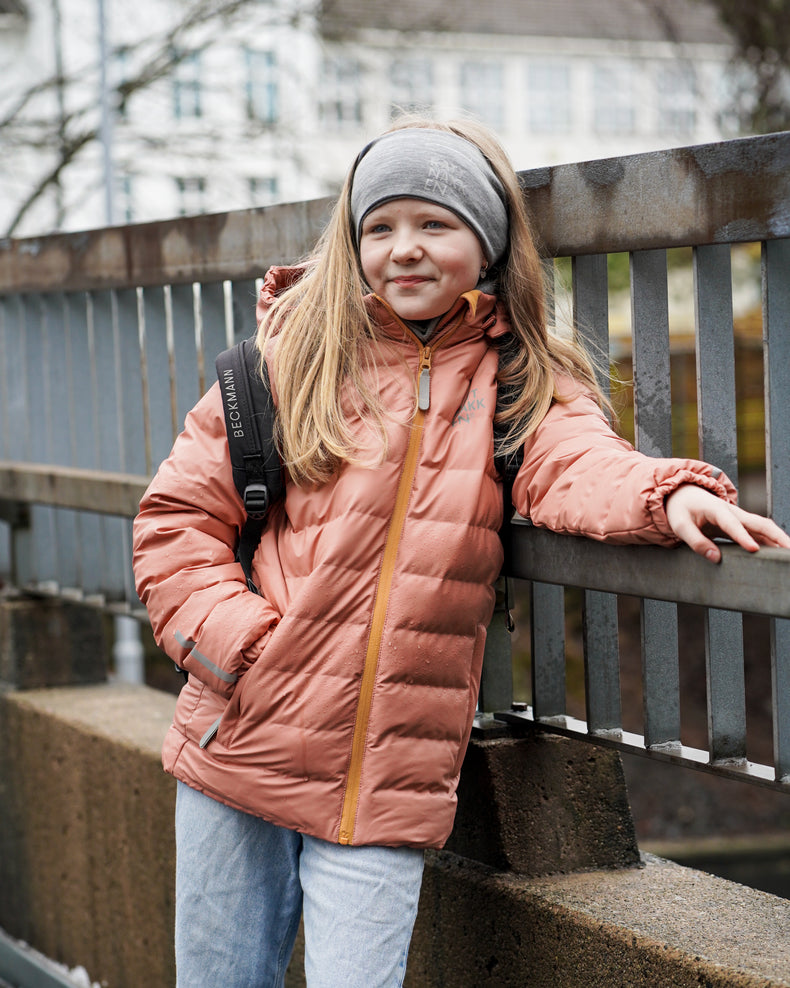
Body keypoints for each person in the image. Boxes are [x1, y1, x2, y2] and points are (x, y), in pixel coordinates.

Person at [132, 117, 790, 987]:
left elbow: (579, 463)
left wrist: (670, 493)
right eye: (381, 228)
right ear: (354, 240)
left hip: (388, 779)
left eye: (434, 225)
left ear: (485, 244)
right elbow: (175, 524)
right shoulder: (285, 363)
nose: (404, 250)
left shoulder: (520, 376)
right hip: (237, 741)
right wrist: (249, 650)